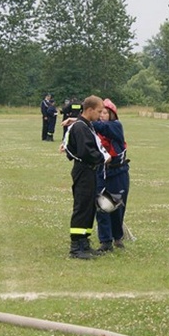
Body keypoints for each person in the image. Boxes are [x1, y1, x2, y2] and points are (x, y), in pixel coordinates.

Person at [63, 95, 110, 259]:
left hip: (91, 171)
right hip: (83, 170)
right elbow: (86, 151)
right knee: (82, 206)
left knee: (90, 207)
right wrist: (102, 157)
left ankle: (84, 242)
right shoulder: (80, 127)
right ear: (89, 110)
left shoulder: (87, 125)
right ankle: (76, 247)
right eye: (98, 111)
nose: (100, 115)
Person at [93, 99, 130, 252]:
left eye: (105, 112)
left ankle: (118, 237)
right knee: (102, 207)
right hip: (101, 173)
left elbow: (102, 127)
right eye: (100, 112)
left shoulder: (115, 127)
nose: (102, 115)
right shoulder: (93, 131)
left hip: (118, 173)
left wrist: (81, 120)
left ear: (112, 114)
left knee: (117, 207)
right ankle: (105, 241)